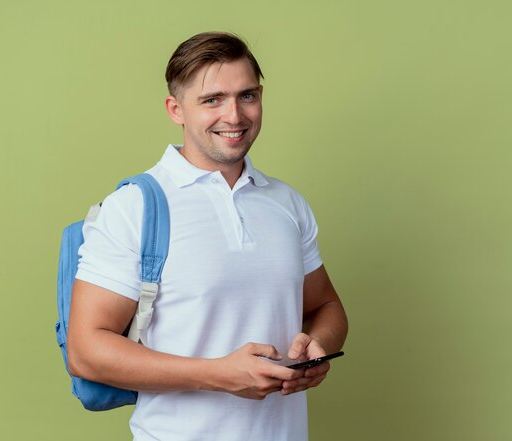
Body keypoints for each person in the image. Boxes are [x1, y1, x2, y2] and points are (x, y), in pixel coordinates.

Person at [67, 32, 348, 441]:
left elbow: (326, 304)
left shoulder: (286, 203)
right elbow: (85, 350)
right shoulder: (135, 207)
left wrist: (317, 346)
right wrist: (219, 375)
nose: (234, 115)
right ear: (175, 109)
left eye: (247, 96)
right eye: (212, 99)